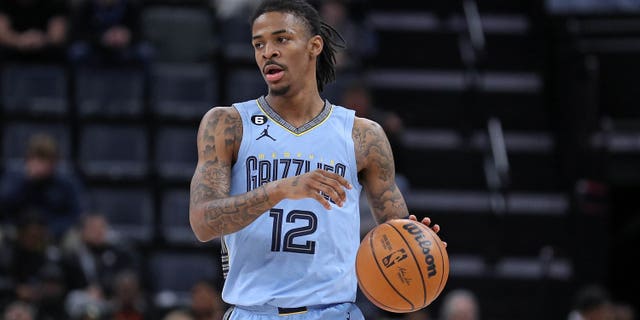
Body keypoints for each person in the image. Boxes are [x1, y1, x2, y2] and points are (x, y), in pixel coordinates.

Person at [188, 1, 445, 319]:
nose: (268, 51)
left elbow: (396, 233)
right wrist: (281, 190)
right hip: (253, 311)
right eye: (259, 44)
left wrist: (418, 245)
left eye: (281, 39)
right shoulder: (227, 124)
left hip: (334, 312)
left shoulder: (363, 135)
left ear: (314, 46)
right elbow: (202, 222)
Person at [0, 133, 85, 240]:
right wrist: (27, 181)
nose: (40, 166)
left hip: (52, 230)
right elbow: (4, 205)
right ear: (28, 160)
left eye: (44, 160)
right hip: (17, 229)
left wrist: (52, 230)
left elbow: (76, 214)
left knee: (74, 239)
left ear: (54, 162)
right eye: (35, 159)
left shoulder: (66, 180)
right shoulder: (13, 175)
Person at [67, 0, 153, 69]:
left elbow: (140, 34)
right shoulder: (86, 6)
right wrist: (102, 38)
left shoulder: (130, 6)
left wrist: (127, 36)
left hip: (125, 50)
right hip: (95, 49)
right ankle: (80, 87)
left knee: (145, 52)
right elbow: (77, 34)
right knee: (76, 51)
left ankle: (140, 89)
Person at [0, 0, 69, 64]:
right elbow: (2, 34)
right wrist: (20, 41)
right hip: (11, 59)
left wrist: (41, 39)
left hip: (49, 59)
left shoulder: (55, 3)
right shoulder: (5, 3)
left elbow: (58, 36)